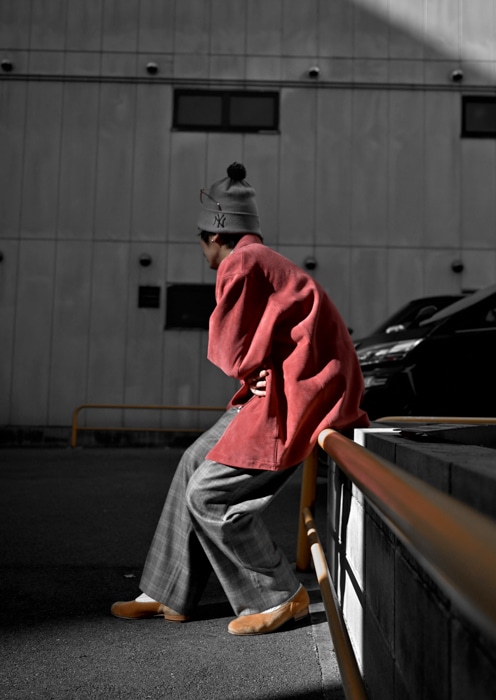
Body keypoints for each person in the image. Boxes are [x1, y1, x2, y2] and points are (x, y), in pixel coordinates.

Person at [111, 162, 369, 635]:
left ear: (214, 234)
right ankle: (167, 590)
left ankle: (279, 595)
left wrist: (251, 369)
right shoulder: (263, 259)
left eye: (201, 240)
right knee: (193, 461)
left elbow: (230, 347)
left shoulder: (242, 262)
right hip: (302, 383)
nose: (202, 250)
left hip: (301, 394)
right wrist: (259, 370)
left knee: (208, 494)